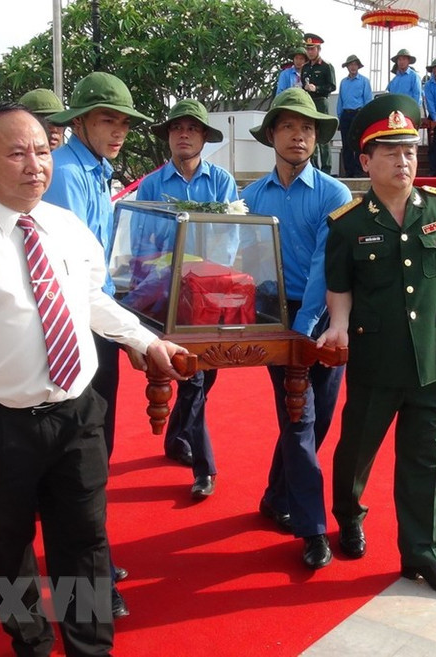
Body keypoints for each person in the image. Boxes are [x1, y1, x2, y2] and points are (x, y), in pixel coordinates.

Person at [0, 102, 185, 657]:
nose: (35, 165)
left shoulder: (67, 227)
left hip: (77, 414)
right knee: (5, 547)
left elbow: (90, 299)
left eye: (42, 150)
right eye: (17, 153)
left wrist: (144, 340)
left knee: (85, 542)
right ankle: (29, 642)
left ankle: (89, 647)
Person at [317, 93, 436, 597]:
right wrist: (338, 325)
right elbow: (340, 286)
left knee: (427, 460)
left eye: (409, 151)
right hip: (376, 358)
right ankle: (349, 515)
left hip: (433, 359)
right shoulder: (348, 223)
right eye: (390, 152)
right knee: (357, 450)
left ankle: (423, 554)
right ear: (366, 161)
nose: (403, 161)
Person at [44, 71, 153, 619]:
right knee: (82, 456)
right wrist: (127, 330)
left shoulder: (95, 170)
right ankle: (90, 576)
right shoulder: (67, 175)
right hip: (78, 328)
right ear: (81, 121)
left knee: (93, 451)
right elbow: (73, 276)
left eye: (124, 123)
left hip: (98, 319)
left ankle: (93, 561)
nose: (118, 132)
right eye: (108, 120)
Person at [241, 88, 351, 569]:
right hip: (275, 316)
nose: (298, 136)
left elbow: (327, 266)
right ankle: (312, 528)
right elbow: (240, 259)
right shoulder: (250, 198)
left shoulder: (333, 193)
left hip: (324, 316)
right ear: (272, 135)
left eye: (307, 128)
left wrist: (304, 329)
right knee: (300, 419)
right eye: (288, 126)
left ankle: (274, 495)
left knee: (316, 419)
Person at [134, 99, 239, 500]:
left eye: (192, 129)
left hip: (208, 294)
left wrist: (207, 279)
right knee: (193, 379)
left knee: (205, 376)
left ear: (203, 138)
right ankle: (204, 467)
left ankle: (177, 437)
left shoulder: (221, 182)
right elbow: (142, 240)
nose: (183, 135)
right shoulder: (151, 184)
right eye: (177, 128)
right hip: (165, 294)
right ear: (168, 136)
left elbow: (230, 238)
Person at [301, 33, 336, 174]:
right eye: (308, 49)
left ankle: (326, 169)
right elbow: (303, 83)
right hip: (309, 102)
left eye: (312, 49)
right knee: (310, 134)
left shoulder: (326, 66)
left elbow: (332, 86)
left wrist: (317, 88)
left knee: (323, 135)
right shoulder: (305, 67)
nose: (310, 52)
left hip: (321, 101)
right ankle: (314, 167)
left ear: (318, 49)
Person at [337, 54, 373, 178]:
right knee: (346, 145)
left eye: (355, 64)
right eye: (350, 65)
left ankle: (359, 171)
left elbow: (368, 100)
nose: (353, 67)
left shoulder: (364, 81)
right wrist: (340, 116)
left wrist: (365, 117)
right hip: (346, 114)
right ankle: (349, 171)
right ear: (347, 67)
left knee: (358, 144)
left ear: (358, 66)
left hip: (358, 114)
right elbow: (340, 101)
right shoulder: (343, 82)